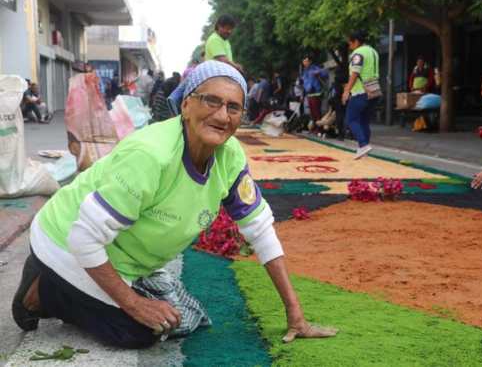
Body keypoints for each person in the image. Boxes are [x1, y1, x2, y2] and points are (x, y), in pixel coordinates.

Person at [11, 60, 337, 349]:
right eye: (211, 101)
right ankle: (43, 292)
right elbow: (82, 238)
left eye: (234, 107)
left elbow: (261, 231)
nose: (222, 116)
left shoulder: (230, 156)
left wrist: (295, 314)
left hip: (122, 255)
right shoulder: (152, 156)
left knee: (173, 318)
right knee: (140, 329)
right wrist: (134, 304)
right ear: (185, 105)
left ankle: (92, 293)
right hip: (65, 239)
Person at [342, 30, 380, 159]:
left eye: (350, 43)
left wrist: (347, 90)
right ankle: (364, 148)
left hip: (361, 91)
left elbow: (355, 73)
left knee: (351, 119)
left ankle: (363, 145)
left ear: (356, 41)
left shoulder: (358, 53)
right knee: (364, 121)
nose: (349, 46)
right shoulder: (373, 51)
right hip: (374, 89)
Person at [301, 56, 329, 131]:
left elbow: (325, 73)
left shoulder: (314, 68)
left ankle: (319, 129)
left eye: (306, 61)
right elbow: (304, 82)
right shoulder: (304, 71)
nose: (305, 63)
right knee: (312, 113)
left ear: (310, 61)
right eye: (304, 61)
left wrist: (318, 73)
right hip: (309, 94)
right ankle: (314, 128)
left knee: (317, 112)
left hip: (316, 93)